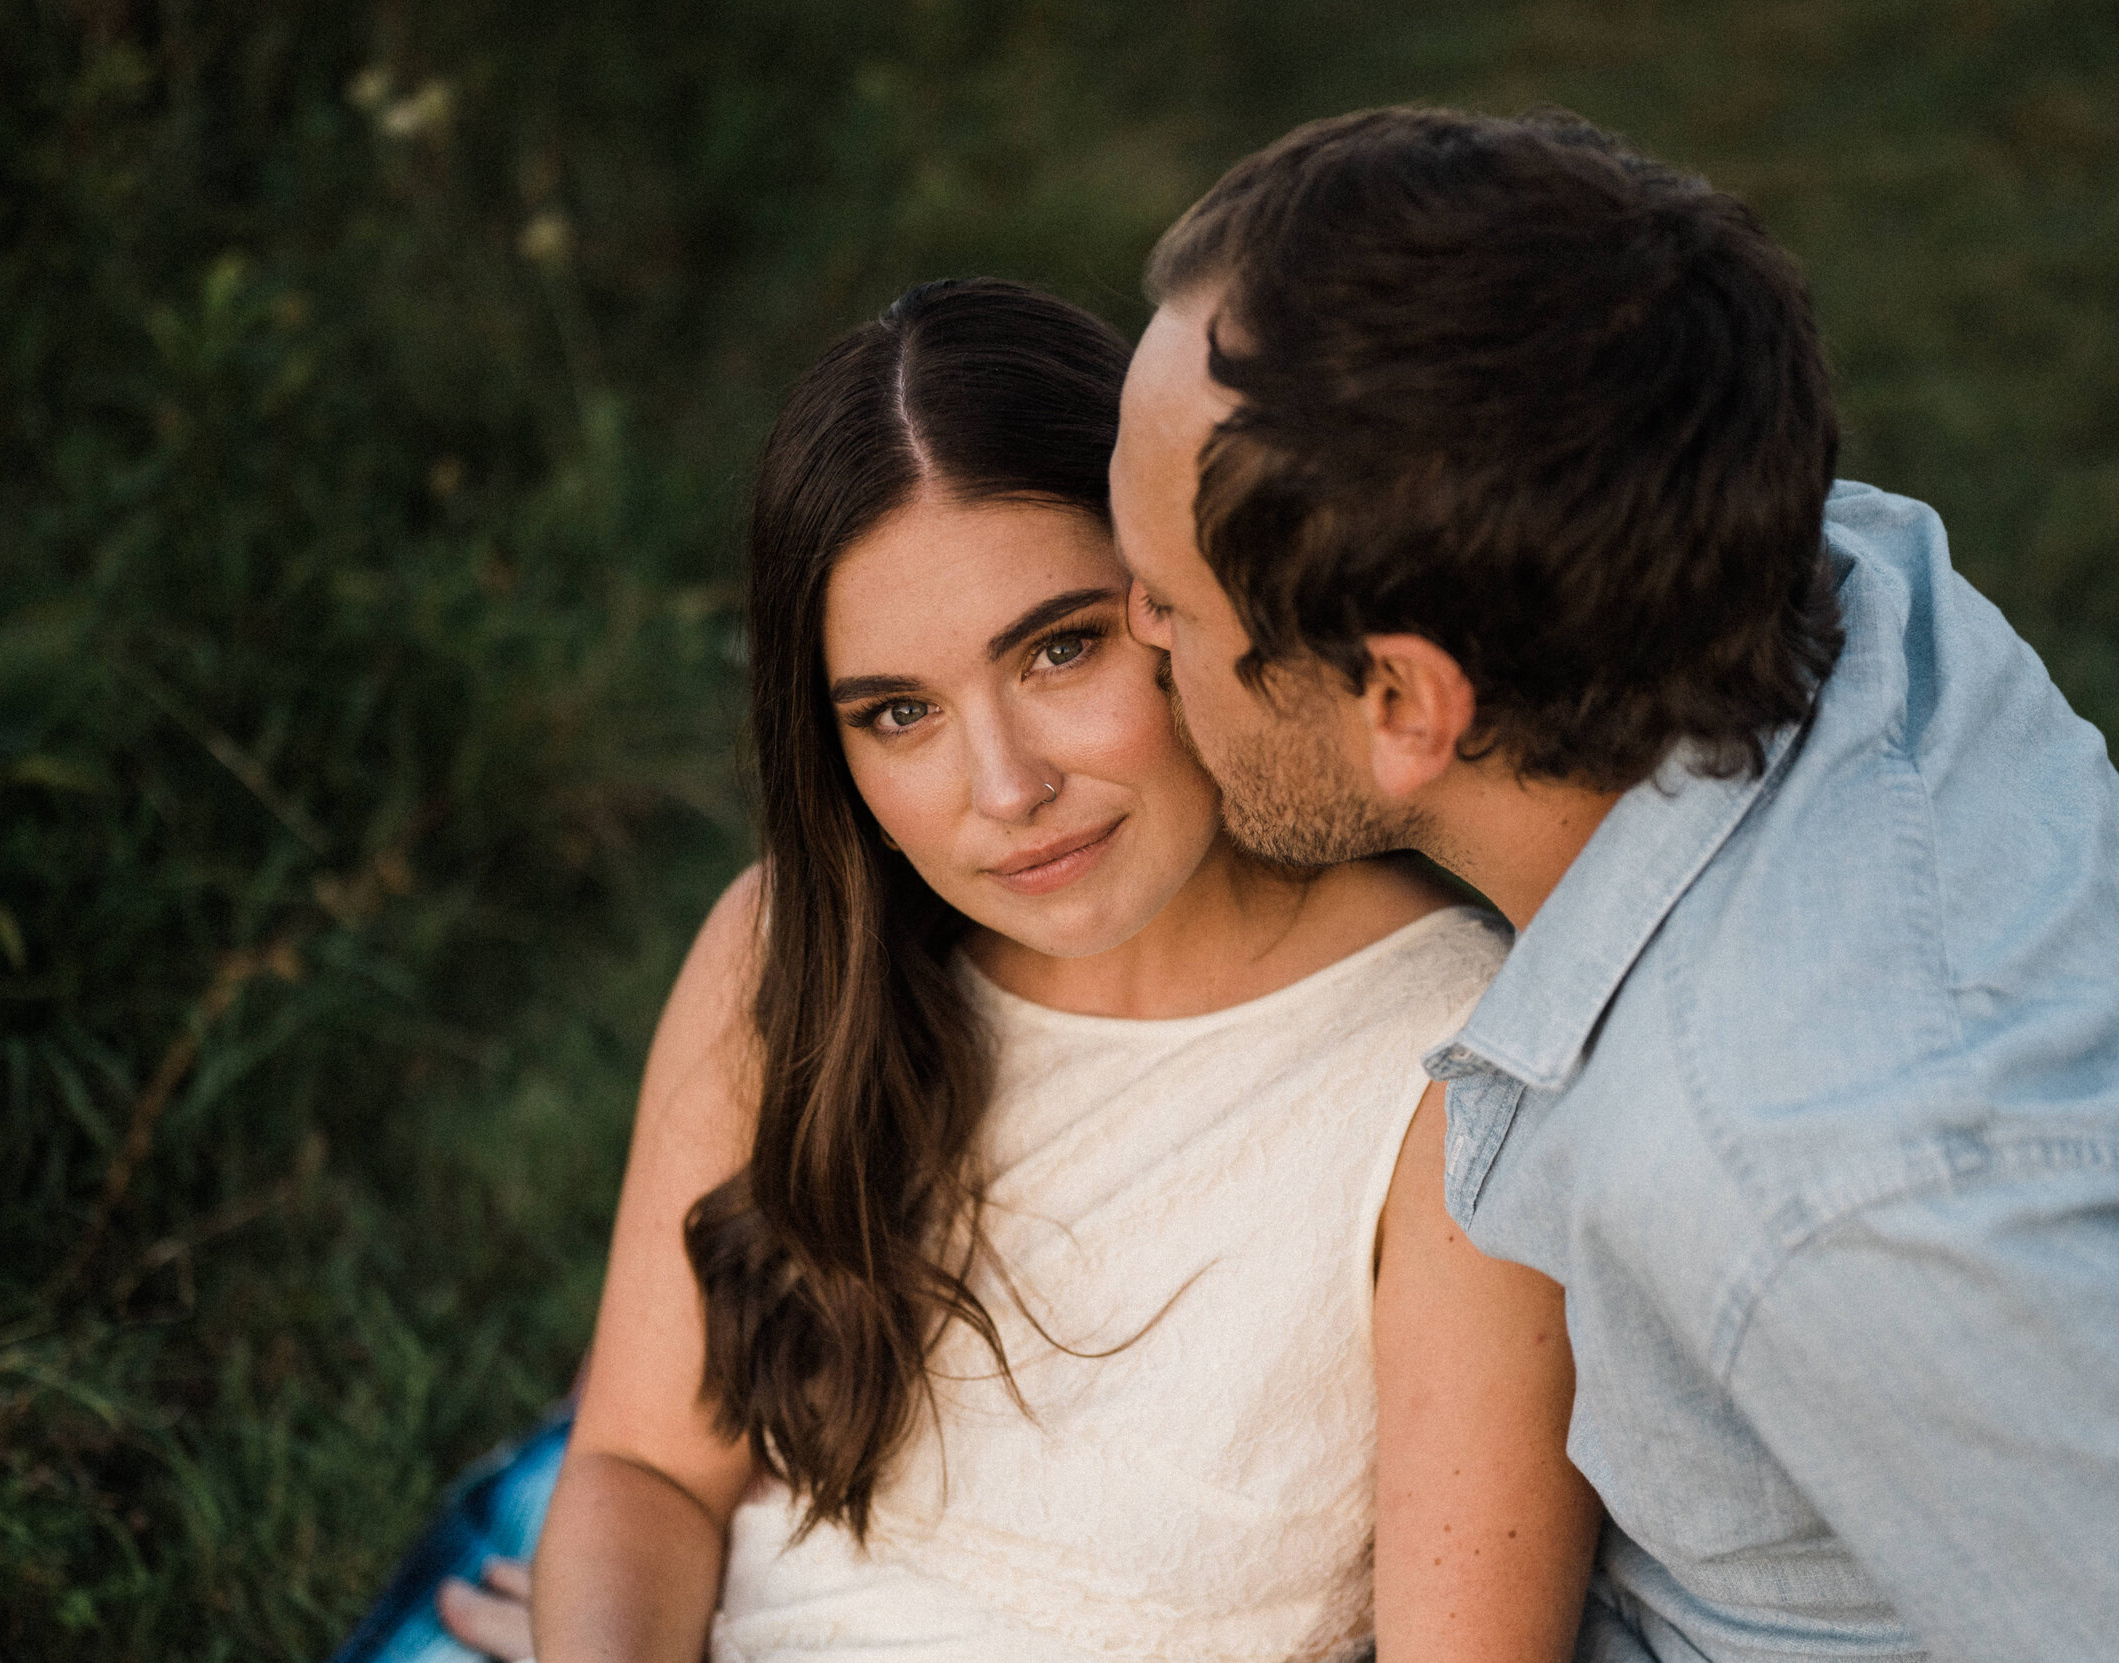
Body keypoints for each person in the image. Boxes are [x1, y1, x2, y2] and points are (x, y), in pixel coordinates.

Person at [1109, 106, 2119, 1660]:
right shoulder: (1788, 558)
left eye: (1164, 604)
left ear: (1409, 705)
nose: (1140, 639)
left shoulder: (1820, 1184)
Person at [349, 275, 1604, 1663]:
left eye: (1059, 649)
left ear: (1188, 600)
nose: (1004, 788)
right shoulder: (797, 956)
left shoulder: (1452, 1069)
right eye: (900, 714)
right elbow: (644, 1470)